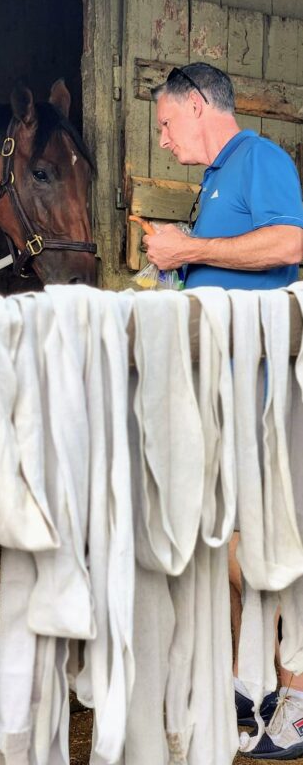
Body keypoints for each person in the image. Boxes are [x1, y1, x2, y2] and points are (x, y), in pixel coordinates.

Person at [144, 62, 303, 760]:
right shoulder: (215, 181)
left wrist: (190, 248)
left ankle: (296, 699)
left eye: (166, 123)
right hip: (230, 392)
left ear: (201, 105)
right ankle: (258, 683)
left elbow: (289, 243)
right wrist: (179, 268)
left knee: (272, 543)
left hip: (266, 395)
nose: (162, 139)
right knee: (237, 542)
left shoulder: (258, 158)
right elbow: (229, 264)